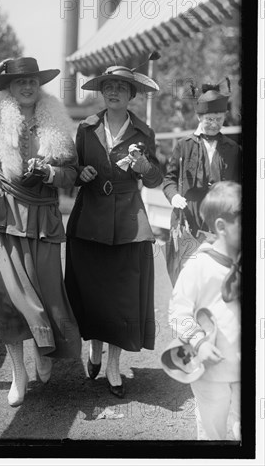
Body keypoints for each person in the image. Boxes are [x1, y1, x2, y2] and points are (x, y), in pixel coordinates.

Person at [0, 57, 82, 407]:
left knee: (46, 294)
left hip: (43, 217)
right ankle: (17, 372)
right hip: (2, 215)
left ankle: (43, 351)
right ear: (9, 87)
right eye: (18, 82)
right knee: (5, 294)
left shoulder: (57, 123)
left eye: (32, 81)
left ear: (39, 86)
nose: (27, 87)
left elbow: (72, 173)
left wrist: (51, 174)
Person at [65, 64, 163, 398]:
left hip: (128, 224)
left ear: (132, 94)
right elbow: (71, 171)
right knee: (92, 291)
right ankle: (94, 348)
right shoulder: (86, 128)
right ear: (101, 92)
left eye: (121, 87)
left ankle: (113, 365)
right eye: (108, 86)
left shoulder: (144, 132)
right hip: (89, 219)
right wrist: (82, 174)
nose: (114, 92)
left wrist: (144, 167)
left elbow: (154, 178)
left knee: (122, 296)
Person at [167, 181, 241, 440]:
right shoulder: (199, 265)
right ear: (221, 227)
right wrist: (199, 342)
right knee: (213, 431)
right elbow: (178, 313)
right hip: (211, 369)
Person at [163, 84, 241, 238]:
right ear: (199, 117)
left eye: (219, 119)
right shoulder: (183, 145)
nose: (214, 124)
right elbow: (169, 179)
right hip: (189, 217)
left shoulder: (233, 149)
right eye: (209, 119)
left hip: (221, 218)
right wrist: (174, 196)